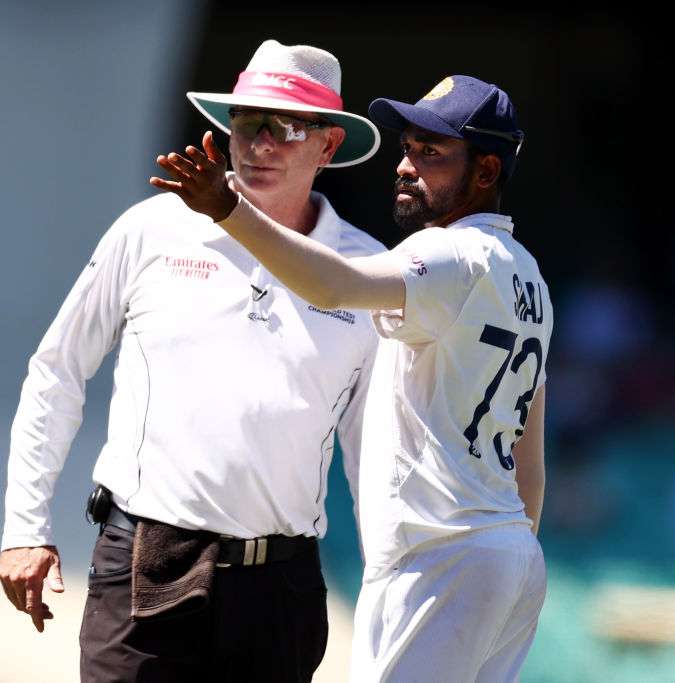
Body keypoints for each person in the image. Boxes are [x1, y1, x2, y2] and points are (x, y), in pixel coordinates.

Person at [0, 39, 385, 682]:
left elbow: (374, 448)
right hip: (143, 561)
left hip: (280, 589)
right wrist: (23, 527)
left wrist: (384, 584)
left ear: (328, 145)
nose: (261, 143)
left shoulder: (367, 271)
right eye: (247, 123)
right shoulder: (152, 229)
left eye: (286, 126)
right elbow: (57, 369)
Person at [152, 74, 551, 682]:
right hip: (507, 554)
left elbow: (335, 285)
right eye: (409, 148)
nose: (406, 166)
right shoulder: (530, 279)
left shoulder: (452, 256)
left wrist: (229, 210)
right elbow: (531, 461)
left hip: (439, 555)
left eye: (432, 153)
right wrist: (506, 560)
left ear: (487, 172)